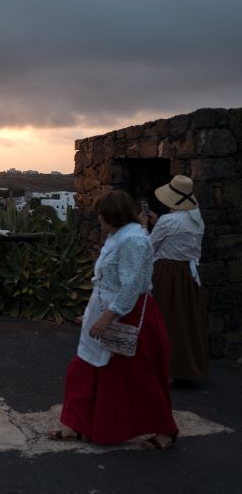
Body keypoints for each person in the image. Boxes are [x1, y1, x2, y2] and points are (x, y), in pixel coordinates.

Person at [50, 189, 178, 449]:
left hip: (128, 313)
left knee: (135, 375)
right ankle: (78, 424)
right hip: (109, 310)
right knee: (84, 368)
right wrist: (93, 314)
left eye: (101, 215)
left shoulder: (133, 242)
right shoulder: (118, 236)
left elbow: (131, 286)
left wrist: (106, 317)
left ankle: (166, 429)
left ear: (113, 215)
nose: (99, 219)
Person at [139, 175, 208, 382]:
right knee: (184, 322)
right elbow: (177, 241)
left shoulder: (168, 221)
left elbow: (147, 248)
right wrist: (158, 223)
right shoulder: (197, 221)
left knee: (164, 321)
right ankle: (185, 369)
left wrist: (144, 226)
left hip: (167, 274)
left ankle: (165, 370)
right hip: (187, 275)